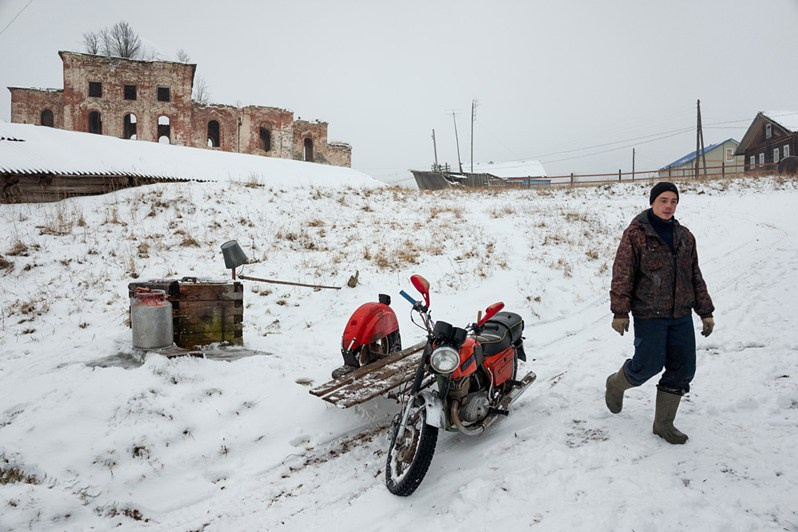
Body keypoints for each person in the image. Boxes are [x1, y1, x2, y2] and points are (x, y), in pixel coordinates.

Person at [605, 181, 714, 444]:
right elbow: (622, 274)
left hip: (680, 314)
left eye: (673, 201)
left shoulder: (685, 237)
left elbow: (694, 275)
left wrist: (705, 311)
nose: (668, 206)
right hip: (648, 313)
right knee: (648, 364)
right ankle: (617, 384)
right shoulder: (636, 234)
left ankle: (664, 424)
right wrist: (620, 311)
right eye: (663, 200)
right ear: (653, 202)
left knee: (683, 368)